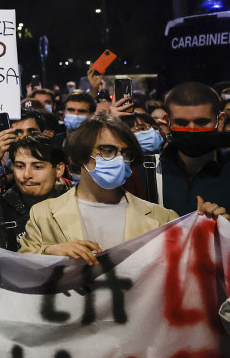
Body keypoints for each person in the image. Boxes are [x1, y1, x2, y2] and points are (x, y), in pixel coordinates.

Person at [19, 113, 225, 260]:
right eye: (106, 150)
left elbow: (188, 272)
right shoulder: (43, 214)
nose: (119, 159)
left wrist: (212, 234)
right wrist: (48, 253)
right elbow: (19, 268)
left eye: (125, 153)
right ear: (79, 156)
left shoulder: (162, 218)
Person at [0, 135, 68, 251]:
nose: (26, 175)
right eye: (20, 166)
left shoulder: (76, 205)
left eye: (37, 167)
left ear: (59, 169)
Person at [158, 81, 230, 215]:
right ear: (168, 122)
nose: (191, 130)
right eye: (181, 123)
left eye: (201, 122)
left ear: (220, 121)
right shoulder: (147, 172)